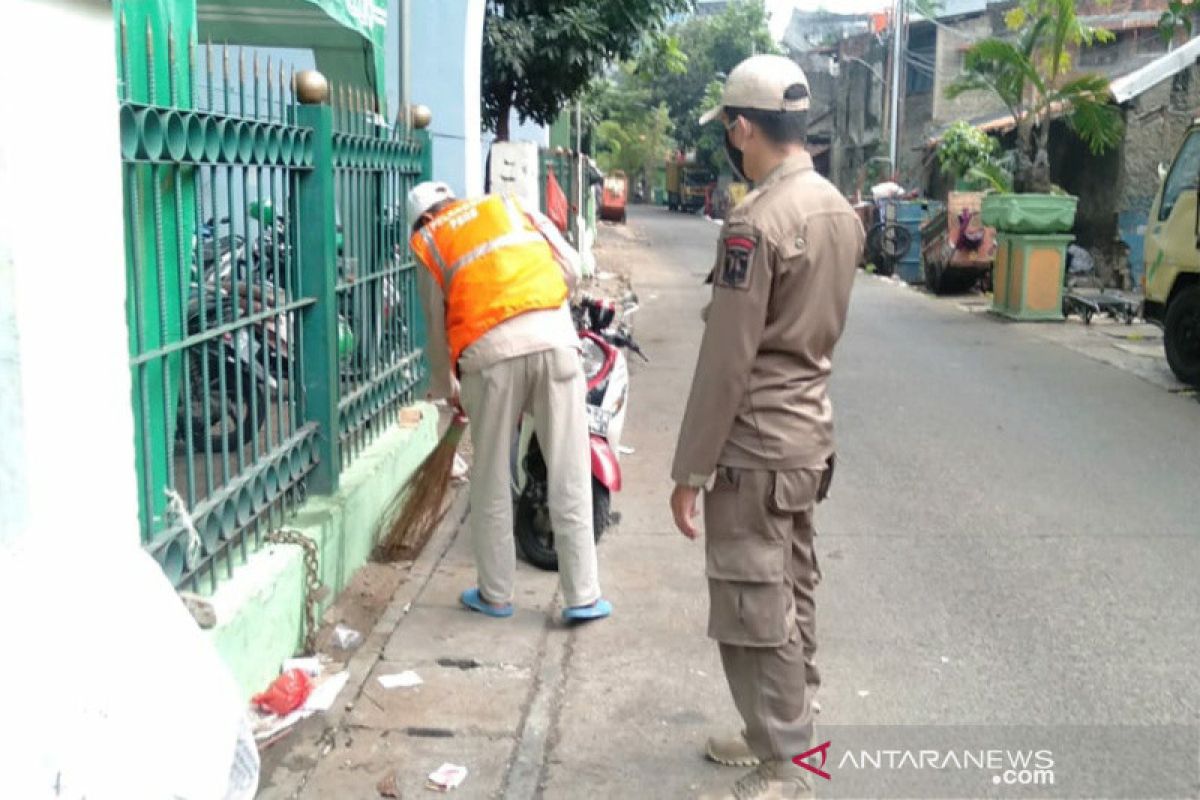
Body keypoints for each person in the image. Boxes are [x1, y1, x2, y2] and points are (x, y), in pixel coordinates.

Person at [668, 54, 863, 799]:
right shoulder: (837, 209)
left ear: (742, 126)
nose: (729, 138)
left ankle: (787, 763)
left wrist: (690, 470)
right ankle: (777, 734)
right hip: (809, 435)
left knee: (757, 601)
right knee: (792, 588)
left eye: (728, 127)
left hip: (757, 443)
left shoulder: (757, 221)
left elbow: (727, 362)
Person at [408, 181, 612, 623]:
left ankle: (496, 595)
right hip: (556, 341)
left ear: (420, 219)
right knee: (570, 470)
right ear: (453, 200)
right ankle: (583, 596)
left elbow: (436, 323)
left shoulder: (430, 240)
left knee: (491, 478)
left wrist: (448, 389)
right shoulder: (508, 205)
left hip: (489, 358)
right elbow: (571, 266)